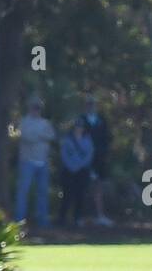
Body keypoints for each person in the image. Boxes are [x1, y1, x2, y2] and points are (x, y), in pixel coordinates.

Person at [15, 96, 56, 227]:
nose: (36, 110)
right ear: (30, 108)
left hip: (42, 162)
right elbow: (25, 137)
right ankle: (19, 221)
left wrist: (38, 136)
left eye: (38, 108)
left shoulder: (45, 122)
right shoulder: (24, 121)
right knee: (23, 191)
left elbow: (52, 136)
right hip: (27, 161)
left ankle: (43, 221)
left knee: (42, 193)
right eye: (34, 107)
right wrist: (40, 136)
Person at [82, 94, 113, 227]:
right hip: (83, 159)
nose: (91, 106)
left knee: (98, 187)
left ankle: (100, 215)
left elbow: (107, 139)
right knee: (84, 187)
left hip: (99, 159)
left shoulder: (101, 120)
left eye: (93, 104)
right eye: (89, 104)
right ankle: (82, 216)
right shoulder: (81, 120)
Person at [58, 118, 94, 227]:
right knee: (67, 195)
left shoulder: (87, 140)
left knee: (80, 195)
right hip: (69, 172)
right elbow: (64, 155)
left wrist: (79, 166)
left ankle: (77, 218)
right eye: (77, 127)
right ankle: (62, 219)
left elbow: (89, 155)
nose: (79, 129)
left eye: (81, 127)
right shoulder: (67, 140)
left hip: (82, 172)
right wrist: (72, 167)